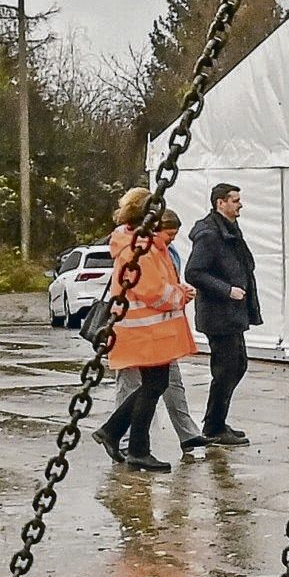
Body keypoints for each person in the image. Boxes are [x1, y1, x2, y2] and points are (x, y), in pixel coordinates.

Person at [92, 189, 197, 473]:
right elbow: (152, 290)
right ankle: (133, 445)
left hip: (147, 332)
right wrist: (179, 295)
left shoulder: (137, 244)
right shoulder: (140, 249)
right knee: (153, 386)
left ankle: (117, 434)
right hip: (146, 333)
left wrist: (176, 290)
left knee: (154, 385)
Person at [185, 181, 259, 445]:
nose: (240, 205)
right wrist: (227, 290)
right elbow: (194, 272)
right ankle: (214, 427)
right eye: (235, 200)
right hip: (219, 314)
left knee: (238, 365)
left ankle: (215, 420)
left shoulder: (229, 229)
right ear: (221, 203)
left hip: (233, 313)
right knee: (226, 368)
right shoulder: (209, 234)